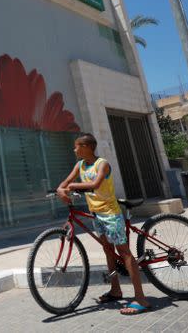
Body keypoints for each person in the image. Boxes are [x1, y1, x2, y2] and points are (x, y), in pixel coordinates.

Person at [56, 132, 151, 315]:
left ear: (86, 147)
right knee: (108, 250)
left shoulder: (103, 164)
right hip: (96, 214)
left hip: (110, 214)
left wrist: (72, 187)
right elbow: (66, 182)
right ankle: (116, 290)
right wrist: (61, 189)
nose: (74, 149)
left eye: (77, 146)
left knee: (124, 253)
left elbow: (96, 184)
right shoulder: (80, 165)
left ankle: (141, 299)